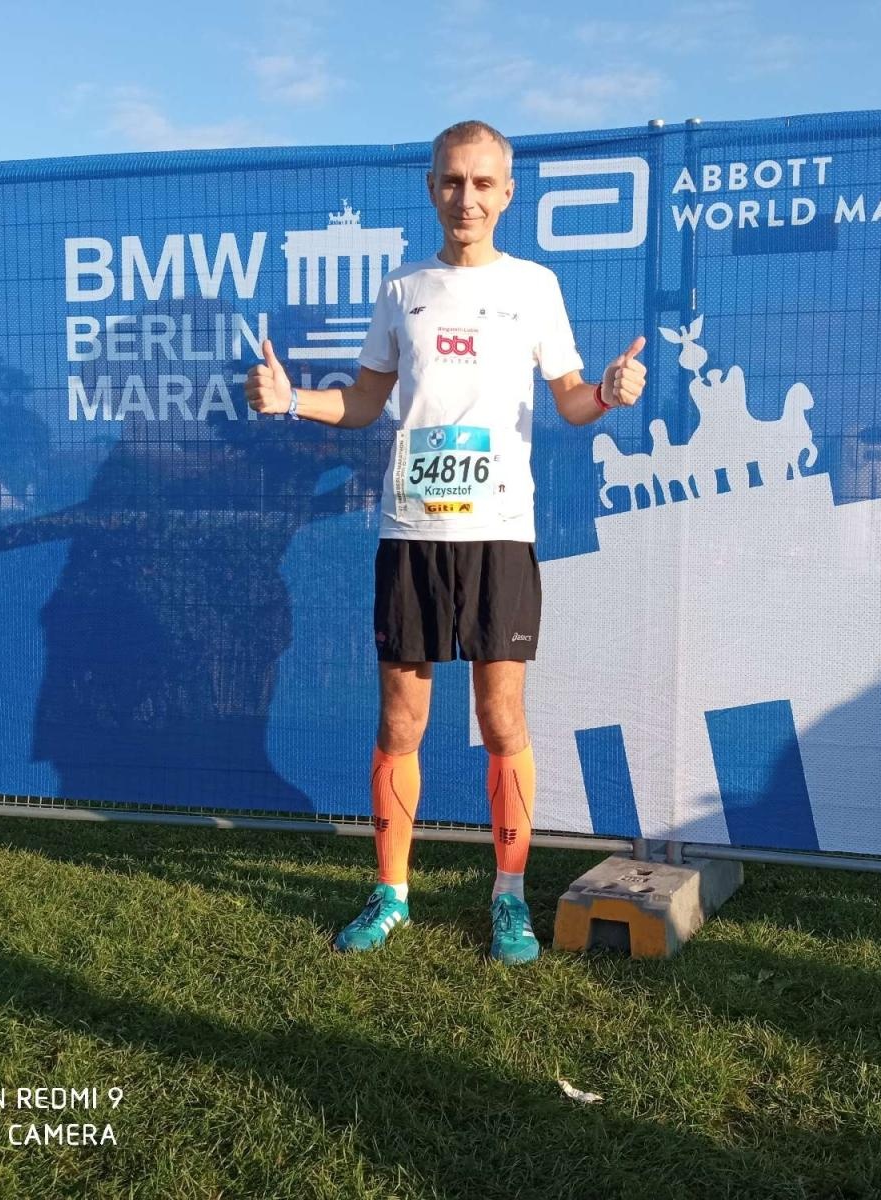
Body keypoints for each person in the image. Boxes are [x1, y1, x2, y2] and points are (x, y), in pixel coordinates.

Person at [245, 119, 647, 963]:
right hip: (411, 535)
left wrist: (608, 391)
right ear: (432, 189)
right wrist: (289, 401)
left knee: (502, 718)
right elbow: (362, 402)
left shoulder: (535, 287)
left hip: (500, 534)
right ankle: (391, 891)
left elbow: (570, 399)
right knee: (403, 719)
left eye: (483, 183)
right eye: (452, 182)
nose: (467, 197)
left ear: (508, 194)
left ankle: (509, 895)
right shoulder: (402, 291)